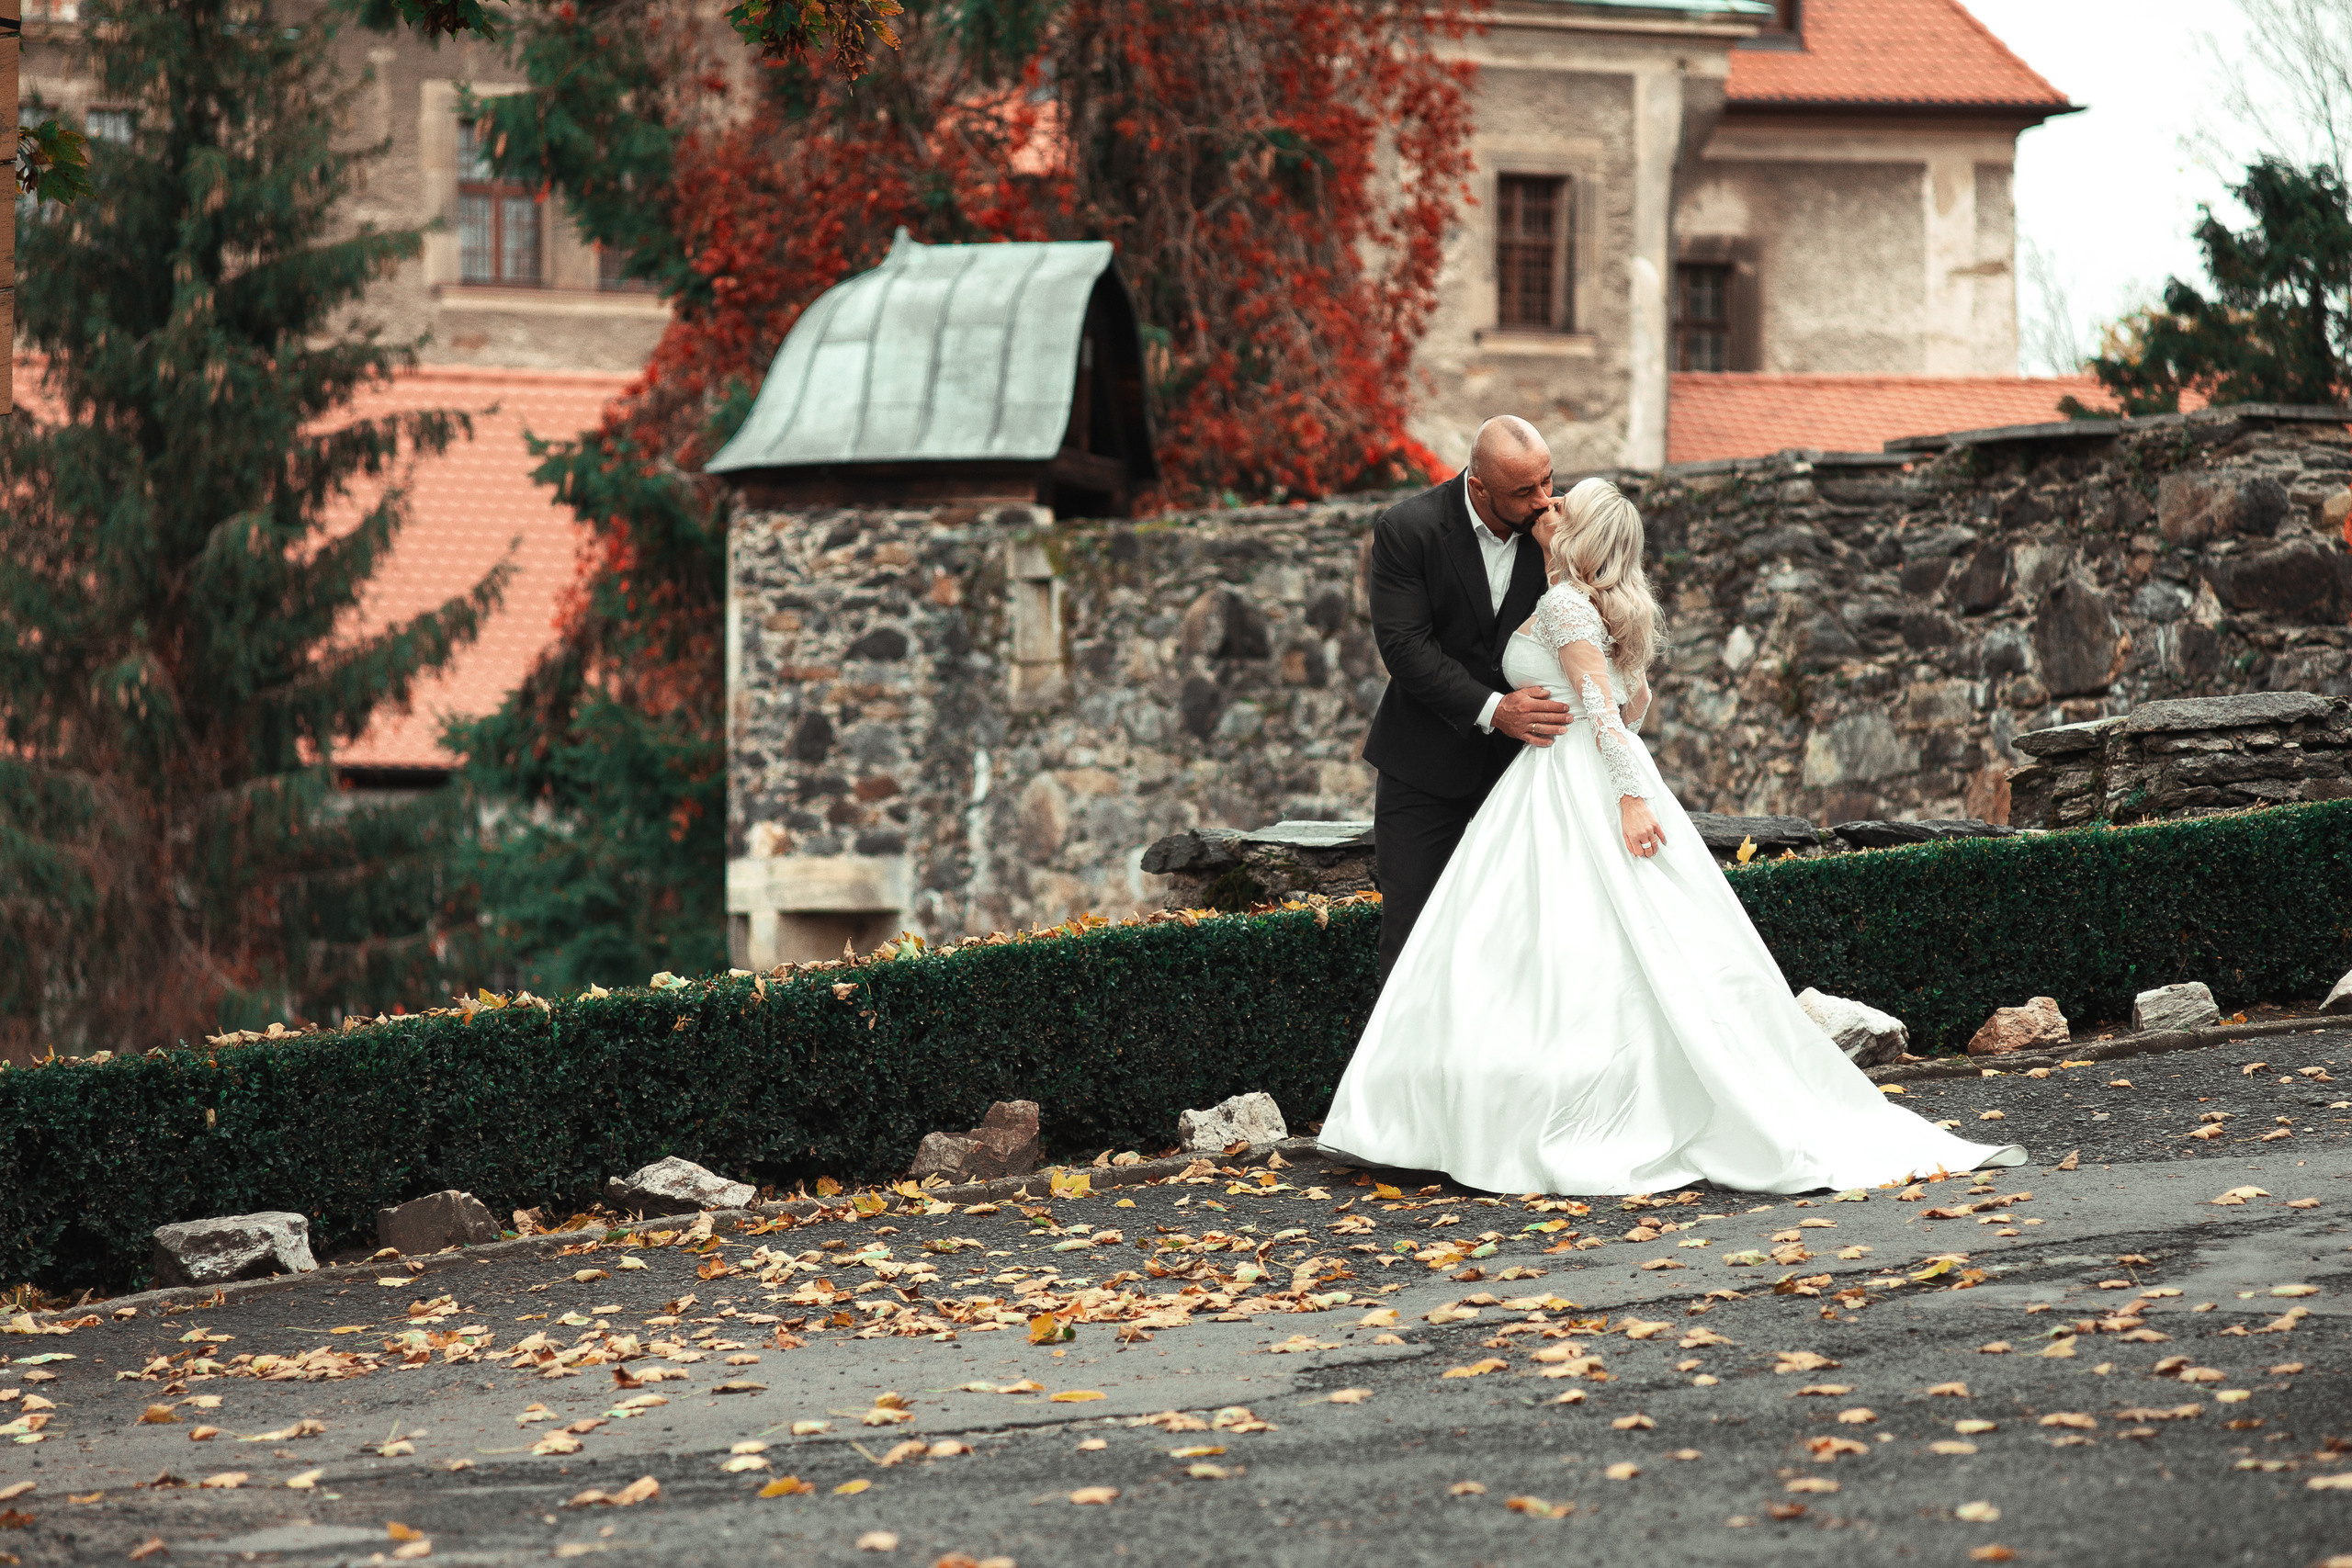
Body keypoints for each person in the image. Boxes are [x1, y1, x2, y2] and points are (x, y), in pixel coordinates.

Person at [1321, 477, 2025, 1195]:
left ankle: (1521, 1116)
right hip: (1557, 776)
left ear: (1577, 535)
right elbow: (1636, 704)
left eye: (1560, 503)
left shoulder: (1566, 602)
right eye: (1541, 494)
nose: (1546, 504)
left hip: (1575, 779)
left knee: (1561, 948)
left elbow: (1604, 712)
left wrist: (1627, 797)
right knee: (1571, 947)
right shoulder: (1592, 601)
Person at [1361, 416, 1572, 983]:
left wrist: (1561, 561)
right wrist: (1495, 710)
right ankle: (1399, 1073)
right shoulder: (1409, 530)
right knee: (1413, 940)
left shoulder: (1563, 529)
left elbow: (1593, 622)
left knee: (1530, 940)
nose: (1543, 500)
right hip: (1424, 766)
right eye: (1523, 491)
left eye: (1547, 480)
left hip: (1530, 773)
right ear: (1478, 487)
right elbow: (1405, 648)